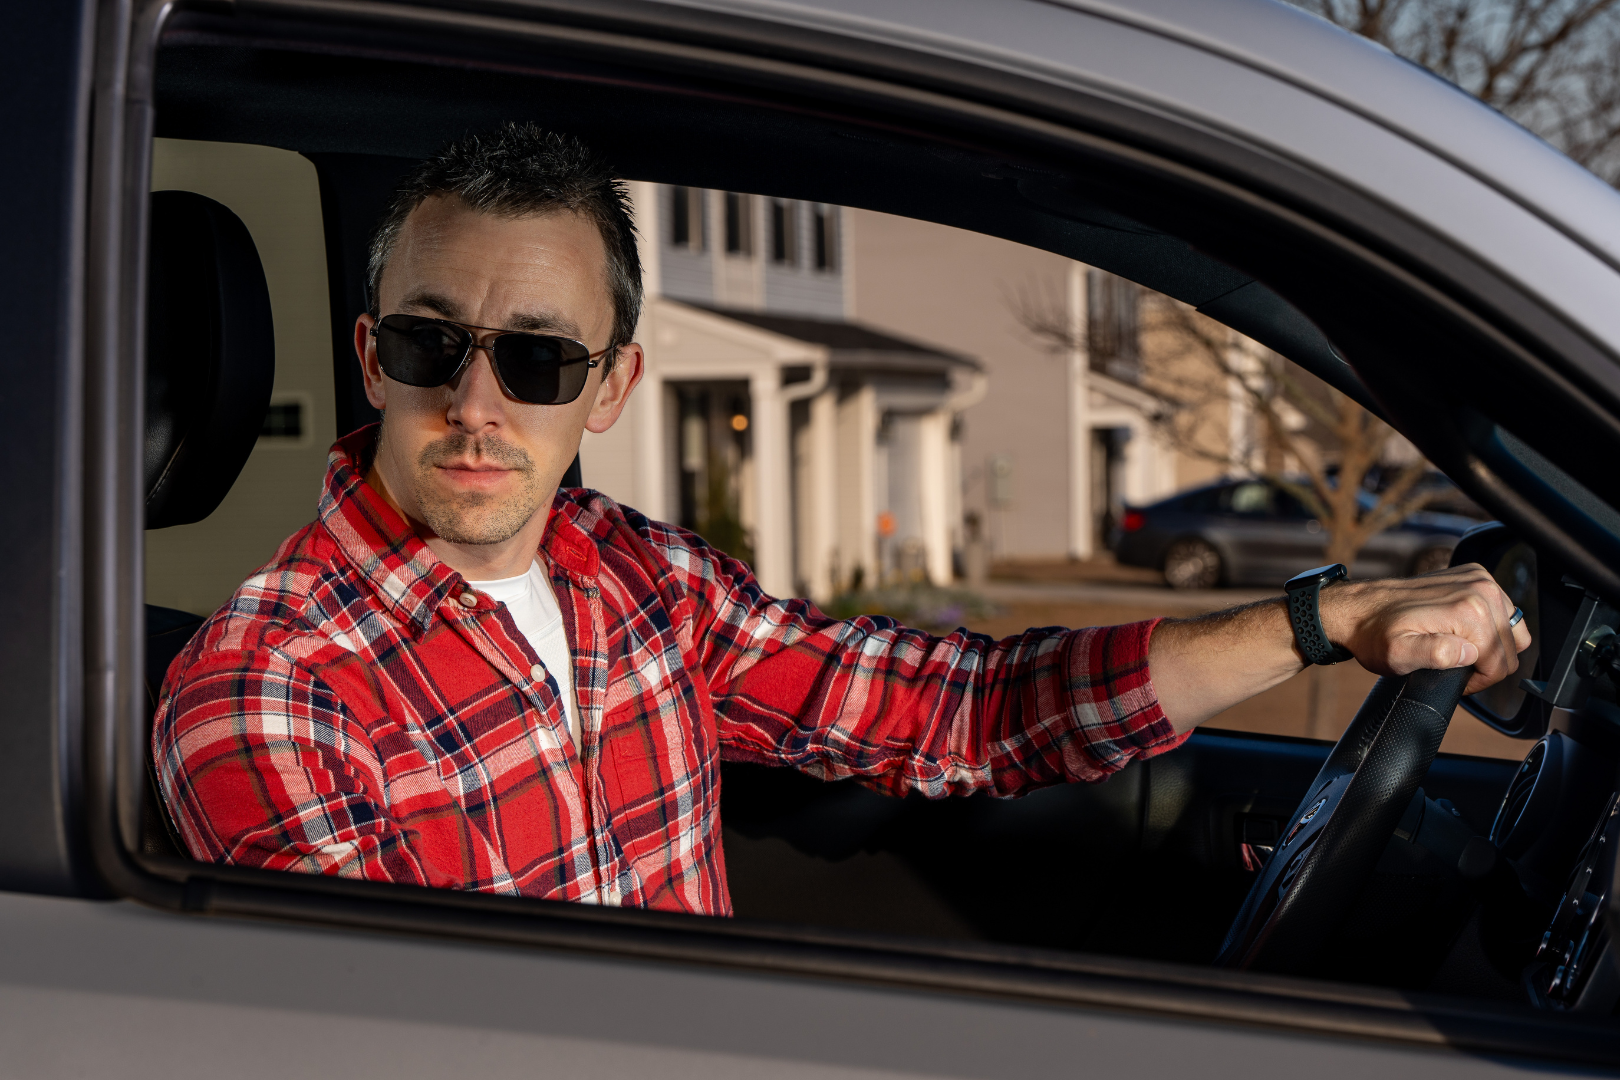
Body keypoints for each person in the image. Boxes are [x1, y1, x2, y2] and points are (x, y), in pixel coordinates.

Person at [153, 124, 1530, 914]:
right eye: (427, 343)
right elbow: (392, 1043)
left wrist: (1324, 617)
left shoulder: (645, 583)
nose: (474, 402)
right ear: (368, 353)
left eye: (537, 360)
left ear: (613, 387)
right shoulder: (268, 689)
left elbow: (961, 711)